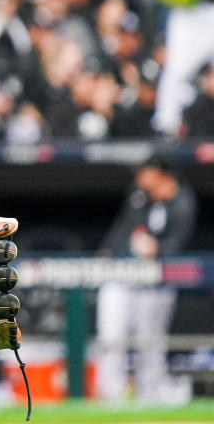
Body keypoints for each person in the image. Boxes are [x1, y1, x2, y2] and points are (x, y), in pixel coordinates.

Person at [95, 152, 198, 403]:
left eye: (146, 171)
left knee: (149, 343)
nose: (140, 177)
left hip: (156, 282)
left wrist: (158, 249)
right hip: (122, 275)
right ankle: (112, 396)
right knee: (111, 336)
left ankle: (150, 397)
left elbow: (179, 244)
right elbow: (123, 227)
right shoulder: (138, 195)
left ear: (161, 174)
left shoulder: (182, 201)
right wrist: (107, 252)